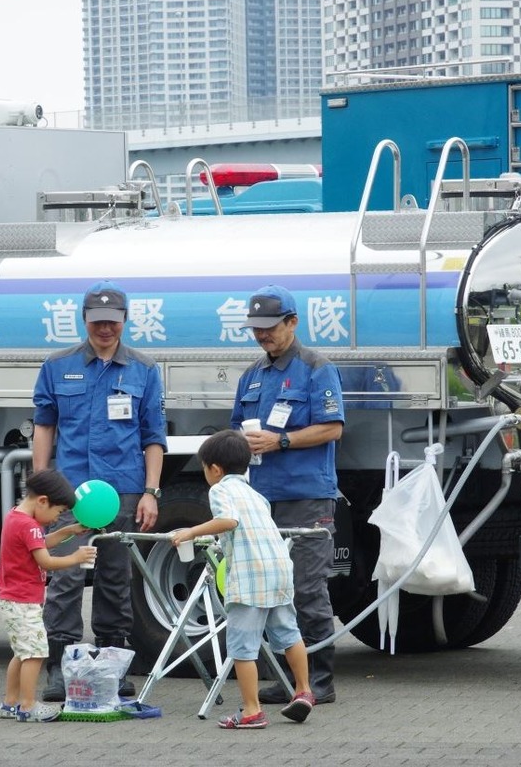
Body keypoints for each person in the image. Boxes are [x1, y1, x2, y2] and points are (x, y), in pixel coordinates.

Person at [32, 280, 168, 701]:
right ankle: (62, 666)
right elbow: (44, 426)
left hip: (123, 492)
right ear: (84, 320)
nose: (104, 329)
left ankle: (113, 665)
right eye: (97, 322)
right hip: (71, 493)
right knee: (65, 578)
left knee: (115, 579)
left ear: (125, 321)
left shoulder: (144, 369)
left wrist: (151, 491)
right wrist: (41, 485)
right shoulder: (57, 365)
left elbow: (154, 435)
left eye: (112, 322)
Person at [232, 284, 344, 705]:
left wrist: (279, 442)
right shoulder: (252, 375)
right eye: (256, 329)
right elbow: (236, 430)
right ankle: (288, 678)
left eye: (270, 327)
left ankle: (319, 680)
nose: (262, 335)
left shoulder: (317, 368)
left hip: (306, 496)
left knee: (306, 588)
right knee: (273, 590)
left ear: (292, 323)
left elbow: (333, 428)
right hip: (261, 499)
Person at [170, 430, 315, 728]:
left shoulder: (220, 490)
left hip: (250, 578)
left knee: (242, 648)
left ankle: (251, 711)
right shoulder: (255, 493)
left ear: (215, 469)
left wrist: (191, 531)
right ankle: (303, 691)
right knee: (289, 634)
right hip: (278, 571)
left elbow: (229, 521)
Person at [0, 469, 97, 723]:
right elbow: (46, 560)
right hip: (23, 599)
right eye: (58, 512)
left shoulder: (15, 517)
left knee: (22, 652)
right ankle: (28, 705)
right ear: (42, 500)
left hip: (11, 598)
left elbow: (40, 542)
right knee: (37, 652)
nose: (56, 518)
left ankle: (10, 703)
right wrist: (76, 558)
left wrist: (68, 531)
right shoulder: (29, 525)